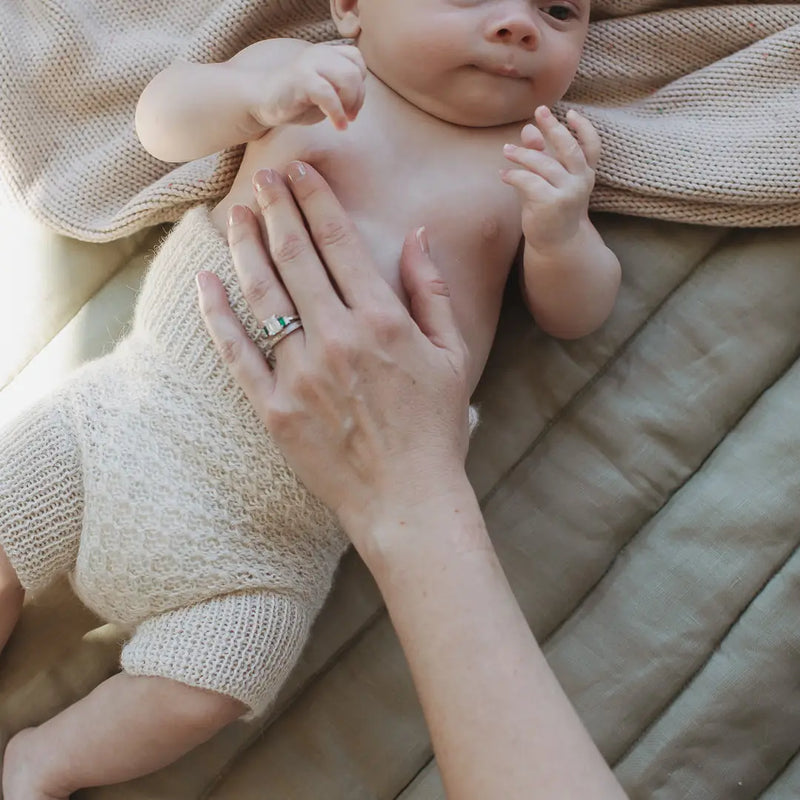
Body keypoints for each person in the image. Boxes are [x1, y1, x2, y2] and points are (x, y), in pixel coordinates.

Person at [1, 1, 621, 796]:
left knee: (218, 681)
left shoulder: (529, 167)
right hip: (121, 423)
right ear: (352, 9)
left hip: (265, 550)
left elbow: (578, 314)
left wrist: (563, 232)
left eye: (560, 10)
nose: (518, 24)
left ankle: (42, 763)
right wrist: (249, 96)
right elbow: (161, 122)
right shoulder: (301, 74)